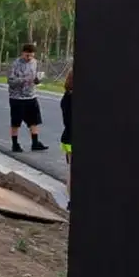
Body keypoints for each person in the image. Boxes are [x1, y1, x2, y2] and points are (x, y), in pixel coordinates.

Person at [7, 44, 48, 152]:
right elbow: (10, 81)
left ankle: (35, 143)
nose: (29, 58)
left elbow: (36, 77)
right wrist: (25, 79)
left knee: (34, 121)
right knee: (16, 122)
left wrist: (38, 80)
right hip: (17, 98)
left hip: (31, 96)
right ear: (23, 53)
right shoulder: (15, 64)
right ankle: (15, 144)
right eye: (27, 55)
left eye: (31, 56)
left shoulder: (34, 62)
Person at [61, 67, 73, 209]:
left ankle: (71, 200)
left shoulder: (66, 97)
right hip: (73, 138)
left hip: (68, 137)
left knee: (71, 169)